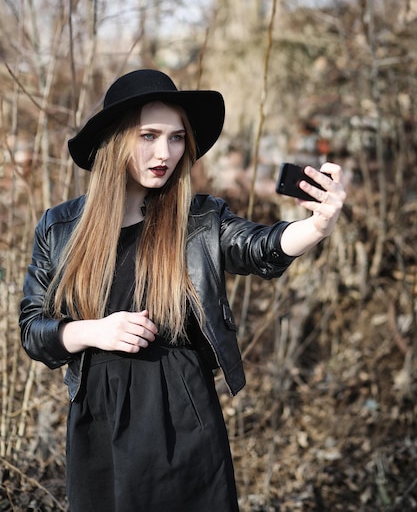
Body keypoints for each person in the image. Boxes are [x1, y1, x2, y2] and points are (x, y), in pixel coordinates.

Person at [20, 69, 346, 512]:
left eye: (176, 138)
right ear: (116, 140)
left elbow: (258, 247)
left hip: (180, 411)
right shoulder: (60, 227)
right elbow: (33, 328)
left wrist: (315, 226)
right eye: (149, 136)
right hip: (97, 416)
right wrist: (92, 332)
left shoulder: (199, 220)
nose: (165, 152)